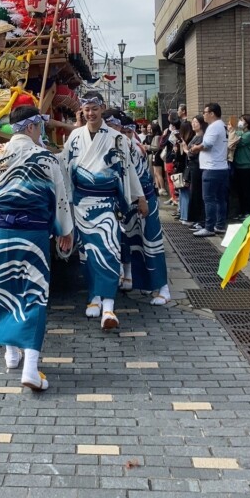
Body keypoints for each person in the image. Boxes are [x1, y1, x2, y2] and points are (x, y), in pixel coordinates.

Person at [0, 105, 73, 391]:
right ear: (32, 127)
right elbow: (60, 199)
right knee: (34, 292)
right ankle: (30, 367)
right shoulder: (47, 158)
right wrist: (65, 230)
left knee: (5, 288)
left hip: (2, 231)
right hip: (33, 233)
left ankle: (10, 352)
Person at [60, 92, 147, 331]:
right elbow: (64, 164)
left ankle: (108, 305)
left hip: (107, 203)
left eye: (94, 109)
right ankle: (94, 297)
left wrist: (139, 197)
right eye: (86, 109)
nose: (90, 113)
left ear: (102, 108)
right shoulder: (75, 136)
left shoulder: (117, 137)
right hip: (81, 203)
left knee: (108, 250)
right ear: (82, 111)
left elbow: (127, 170)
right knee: (88, 255)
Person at [111, 112, 170, 305]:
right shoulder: (117, 142)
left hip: (143, 198)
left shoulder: (128, 144)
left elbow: (137, 177)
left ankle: (163, 288)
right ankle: (143, 282)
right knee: (132, 243)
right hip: (128, 201)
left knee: (151, 242)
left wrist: (142, 199)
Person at [189, 103, 228, 237]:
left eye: (205, 112)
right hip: (222, 167)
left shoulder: (213, 127)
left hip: (211, 168)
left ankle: (209, 227)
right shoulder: (222, 125)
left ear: (212, 113)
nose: (204, 114)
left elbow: (207, 144)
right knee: (220, 199)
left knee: (209, 199)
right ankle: (220, 225)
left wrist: (195, 148)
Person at [232, 114, 250, 218]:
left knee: (246, 191)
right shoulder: (240, 133)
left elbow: (236, 142)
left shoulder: (249, 135)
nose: (240, 122)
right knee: (240, 191)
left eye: (241, 120)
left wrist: (232, 133)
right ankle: (241, 212)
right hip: (238, 166)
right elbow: (234, 135)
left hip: (246, 166)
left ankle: (247, 212)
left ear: (247, 123)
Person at [186, 115, 206, 229]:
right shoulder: (194, 136)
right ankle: (194, 218)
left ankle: (199, 219)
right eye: (192, 122)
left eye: (196, 122)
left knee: (197, 192)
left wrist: (187, 150)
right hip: (192, 166)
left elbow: (193, 152)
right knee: (193, 192)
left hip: (198, 166)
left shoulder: (203, 138)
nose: (193, 124)